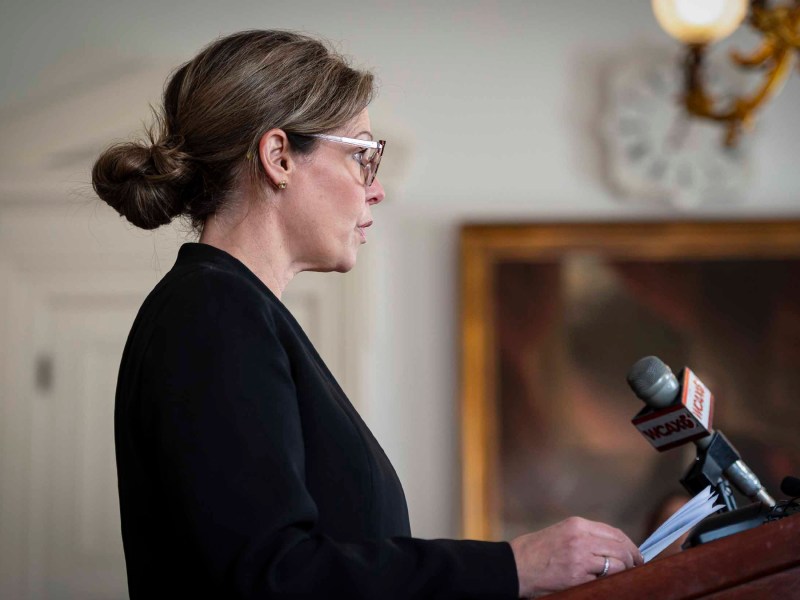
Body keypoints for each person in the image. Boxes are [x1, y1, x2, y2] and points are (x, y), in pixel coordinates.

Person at [92, 29, 643, 599]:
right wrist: (512, 566)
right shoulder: (213, 313)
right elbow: (271, 577)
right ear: (279, 157)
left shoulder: (232, 308)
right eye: (362, 156)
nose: (375, 190)